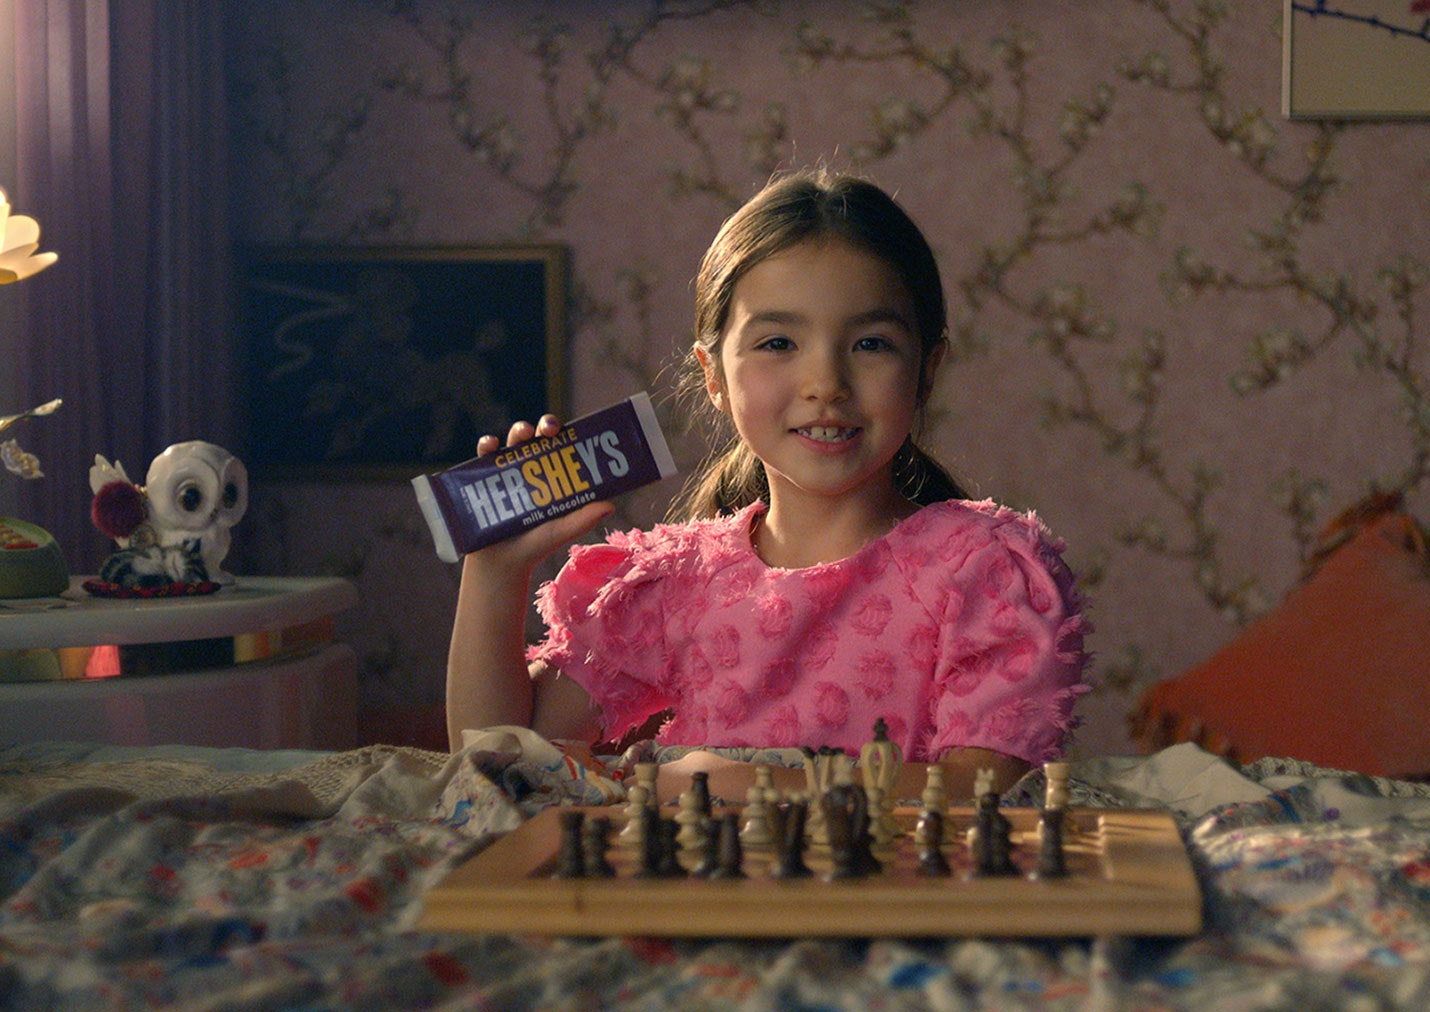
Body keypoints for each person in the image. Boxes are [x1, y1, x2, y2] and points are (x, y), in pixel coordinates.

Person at [446, 170, 1088, 799]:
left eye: (870, 343)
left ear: (926, 368)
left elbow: (981, 791)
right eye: (778, 341)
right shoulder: (677, 585)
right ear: (713, 377)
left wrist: (748, 782)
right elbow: (497, 762)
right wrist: (494, 575)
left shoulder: (988, 575)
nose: (825, 383)